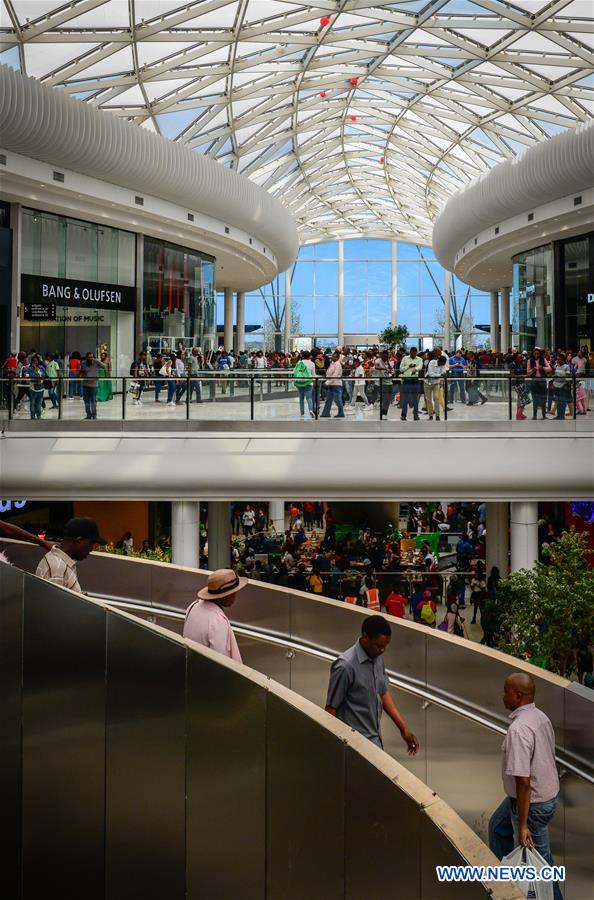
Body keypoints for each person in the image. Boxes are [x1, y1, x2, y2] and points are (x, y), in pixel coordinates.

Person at [488, 673, 563, 900]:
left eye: (506, 691)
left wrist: (522, 825)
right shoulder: (540, 717)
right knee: (497, 827)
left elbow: (523, 782)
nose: (503, 695)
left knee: (541, 865)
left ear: (518, 695)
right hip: (542, 797)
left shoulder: (518, 730)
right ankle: (505, 883)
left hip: (533, 804)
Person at [325, 615, 419, 753]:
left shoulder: (377, 657)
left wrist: (403, 729)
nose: (383, 650)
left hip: (375, 743)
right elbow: (330, 710)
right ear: (365, 637)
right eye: (379, 646)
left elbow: (382, 692)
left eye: (386, 646)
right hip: (354, 748)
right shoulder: (345, 667)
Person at [182, 568, 247, 662]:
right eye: (234, 593)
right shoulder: (218, 621)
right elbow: (221, 662)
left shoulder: (193, 606)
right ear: (225, 595)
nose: (235, 596)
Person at [35, 517, 107, 593]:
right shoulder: (58, 569)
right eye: (91, 544)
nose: (91, 549)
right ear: (79, 541)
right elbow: (55, 603)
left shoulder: (62, 562)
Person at [399, 347, 423, 421]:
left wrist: (415, 369)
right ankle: (403, 415)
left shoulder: (419, 359)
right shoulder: (405, 358)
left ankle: (415, 415)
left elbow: (420, 367)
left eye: (415, 354)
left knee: (415, 400)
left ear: (416, 353)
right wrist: (408, 366)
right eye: (412, 353)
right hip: (406, 380)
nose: (413, 355)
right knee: (404, 399)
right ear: (410, 352)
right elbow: (401, 369)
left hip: (415, 381)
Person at [80, 352, 105, 420]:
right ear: (86, 357)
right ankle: (88, 415)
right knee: (86, 401)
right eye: (89, 357)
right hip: (85, 384)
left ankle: (94, 415)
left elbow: (104, 366)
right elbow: (81, 371)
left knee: (93, 400)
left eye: (91, 357)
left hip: (94, 385)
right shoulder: (83, 363)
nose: (90, 358)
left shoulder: (96, 361)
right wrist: (82, 374)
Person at [292, 350, 316, 419]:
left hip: (299, 382)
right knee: (309, 397)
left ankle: (302, 412)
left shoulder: (299, 363)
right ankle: (311, 410)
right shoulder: (312, 363)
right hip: (308, 382)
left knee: (301, 398)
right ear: (309, 356)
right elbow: (313, 374)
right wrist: (314, 382)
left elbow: (294, 372)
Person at [320, 351, 344, 418]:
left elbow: (335, 375)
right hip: (331, 384)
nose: (332, 357)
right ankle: (326, 413)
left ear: (337, 357)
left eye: (333, 356)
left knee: (338, 400)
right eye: (332, 356)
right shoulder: (333, 364)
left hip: (336, 385)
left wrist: (327, 382)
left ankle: (341, 413)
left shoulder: (338, 364)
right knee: (328, 400)